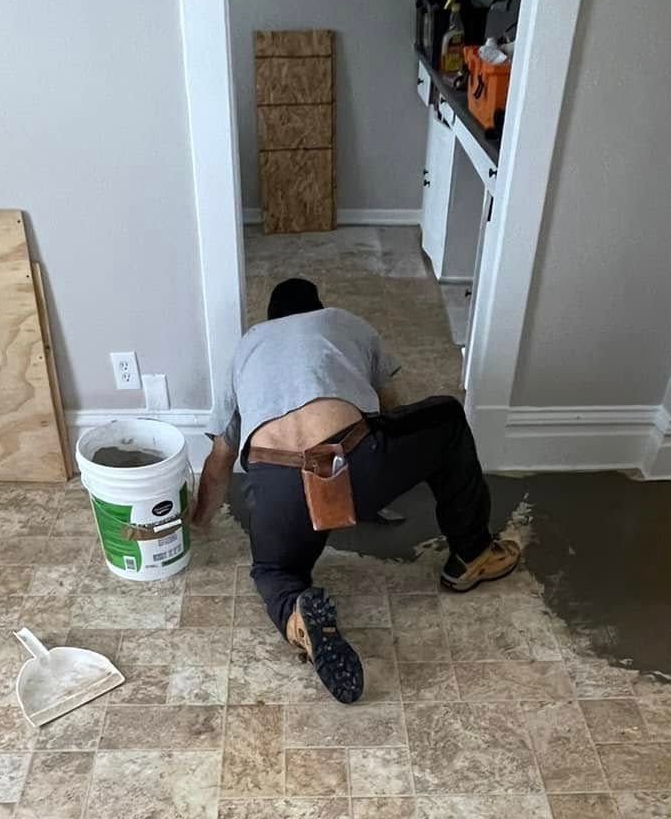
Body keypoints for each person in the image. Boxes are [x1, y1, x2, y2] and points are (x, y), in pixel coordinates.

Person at [190, 276, 520, 702]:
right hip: (350, 458)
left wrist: (198, 521)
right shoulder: (341, 321)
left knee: (273, 572)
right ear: (318, 308)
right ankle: (473, 554)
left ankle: (297, 618)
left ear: (271, 318)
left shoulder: (247, 349)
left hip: (278, 481)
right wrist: (395, 475)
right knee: (447, 416)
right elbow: (392, 410)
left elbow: (219, 459)